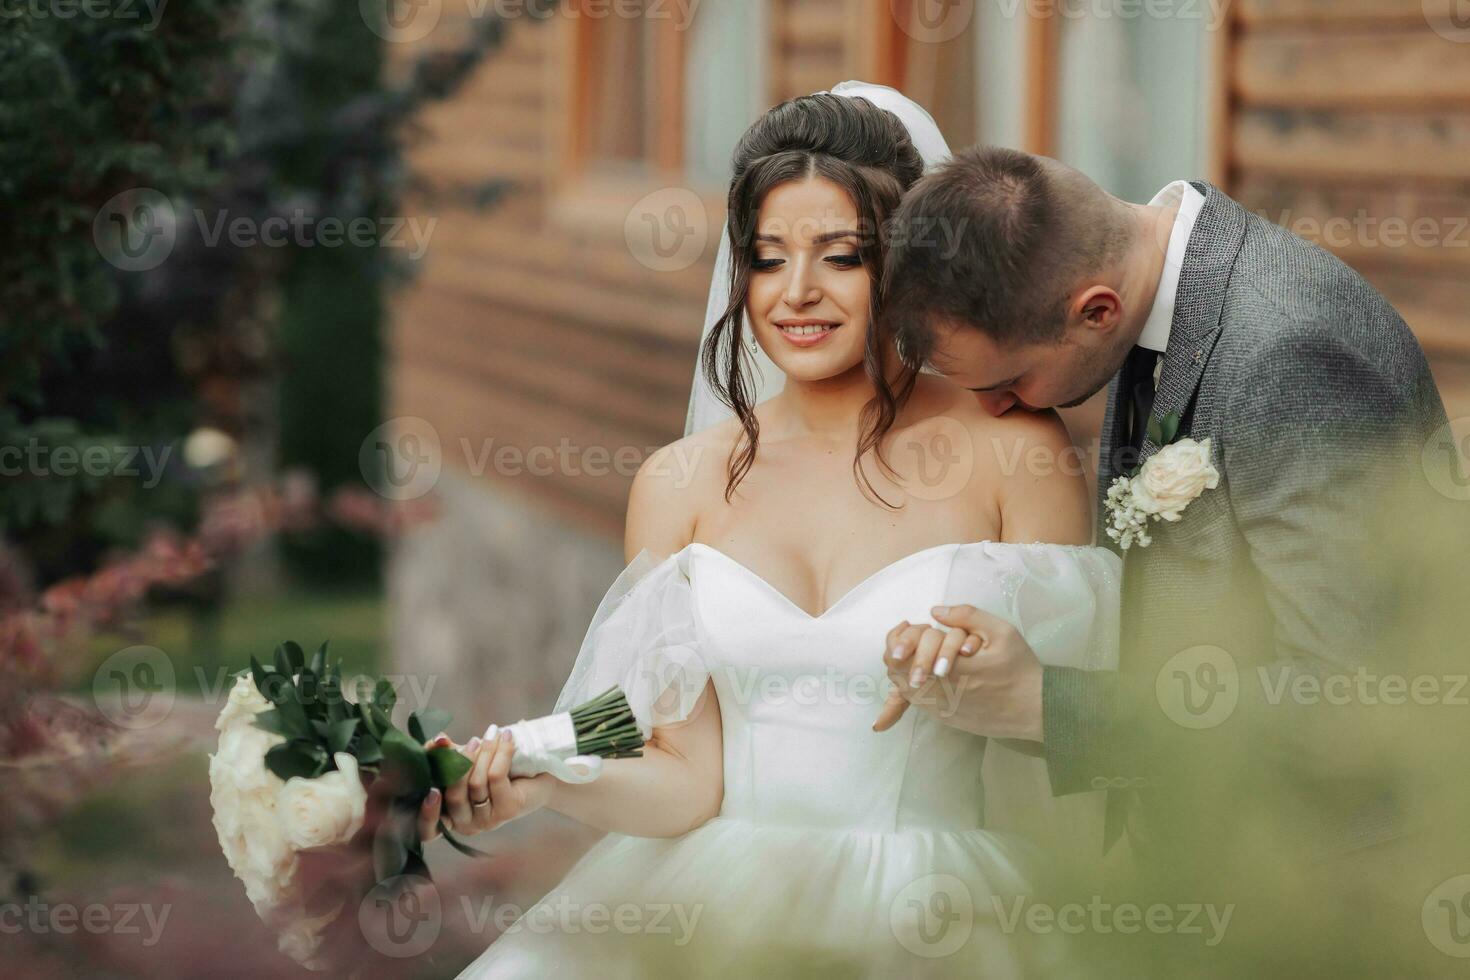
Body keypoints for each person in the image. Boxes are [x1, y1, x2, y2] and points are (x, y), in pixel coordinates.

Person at [424, 85, 1121, 978]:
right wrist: (547, 777)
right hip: (709, 900)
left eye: (839, 257)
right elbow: (688, 777)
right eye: (767, 257)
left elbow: (1079, 727)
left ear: (903, 265)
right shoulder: (680, 484)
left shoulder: (1011, 449)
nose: (798, 294)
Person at [875, 146, 1458, 974]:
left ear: (1096, 311)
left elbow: (1356, 699)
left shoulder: (1288, 351)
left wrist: (1050, 706)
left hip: (1318, 903)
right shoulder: (1159, 301)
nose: (997, 409)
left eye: (1006, 381)